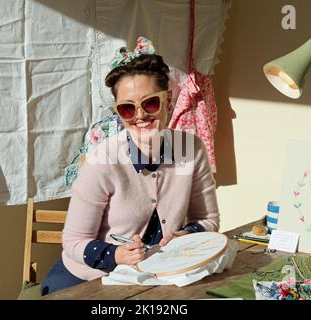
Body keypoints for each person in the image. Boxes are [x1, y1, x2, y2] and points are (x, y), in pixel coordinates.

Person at [40, 37, 220, 296]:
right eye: (127, 108)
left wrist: (187, 235)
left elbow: (208, 220)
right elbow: (73, 242)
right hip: (89, 279)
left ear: (168, 100)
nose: (140, 115)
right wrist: (116, 255)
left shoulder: (192, 150)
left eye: (150, 103)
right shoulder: (102, 160)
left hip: (156, 276)